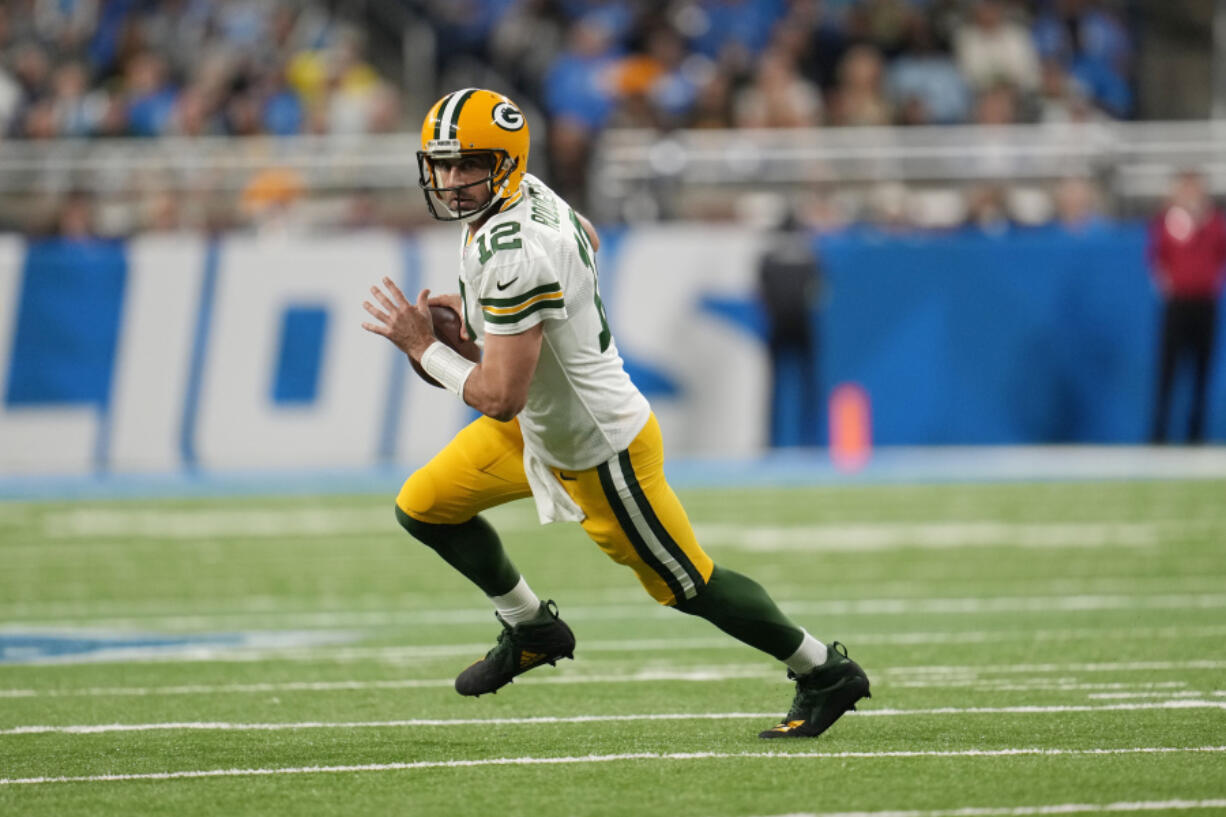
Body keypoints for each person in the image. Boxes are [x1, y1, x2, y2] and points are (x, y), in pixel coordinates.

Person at [360, 88, 870, 739]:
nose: (454, 180)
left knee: (690, 585)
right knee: (425, 505)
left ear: (506, 162)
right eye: (445, 164)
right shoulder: (524, 195)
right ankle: (531, 627)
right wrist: (506, 331)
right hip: (540, 427)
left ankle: (824, 669)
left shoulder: (514, 250)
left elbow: (498, 397)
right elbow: (589, 240)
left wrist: (425, 347)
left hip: (597, 448)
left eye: (470, 164)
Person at [1148, 171, 1226, 444]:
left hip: (1205, 304)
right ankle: (1159, 434)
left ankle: (1196, 434)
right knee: (1168, 371)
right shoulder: (1168, 221)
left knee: (1202, 371)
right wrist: (1169, 287)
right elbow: (1157, 259)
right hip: (1178, 304)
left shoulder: (1214, 222)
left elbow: (1220, 255)